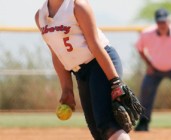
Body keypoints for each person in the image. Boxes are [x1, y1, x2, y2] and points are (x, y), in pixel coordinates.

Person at [35, 0, 143, 139]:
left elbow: (95, 44)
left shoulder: (77, 6)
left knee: (107, 125)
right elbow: (56, 54)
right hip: (80, 72)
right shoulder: (40, 16)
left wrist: (115, 81)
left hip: (100, 63)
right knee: (97, 132)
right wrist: (67, 89)